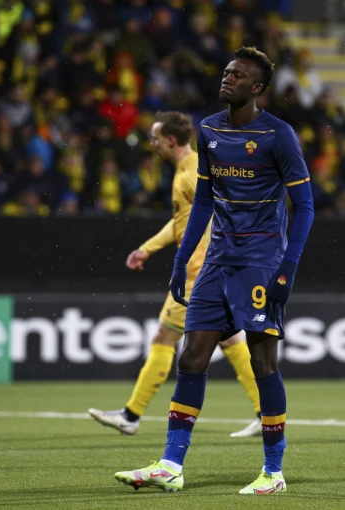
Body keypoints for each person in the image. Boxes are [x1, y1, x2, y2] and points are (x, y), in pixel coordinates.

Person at [113, 46, 314, 494]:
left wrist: (287, 268)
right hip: (216, 261)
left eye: (238, 75)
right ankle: (171, 464)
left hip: (261, 262)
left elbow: (304, 206)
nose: (228, 78)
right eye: (227, 71)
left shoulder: (278, 135)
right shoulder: (209, 130)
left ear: (257, 88)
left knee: (263, 363)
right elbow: (204, 202)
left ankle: (273, 472)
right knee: (191, 357)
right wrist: (181, 260)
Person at [88, 111, 262, 439]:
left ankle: (130, 415)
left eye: (155, 138)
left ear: (170, 140)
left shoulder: (191, 173)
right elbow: (184, 221)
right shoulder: (187, 169)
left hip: (199, 275)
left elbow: (229, 207)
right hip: (211, 271)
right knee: (229, 339)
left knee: (165, 337)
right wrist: (147, 249)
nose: (152, 144)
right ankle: (267, 413)